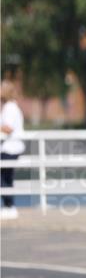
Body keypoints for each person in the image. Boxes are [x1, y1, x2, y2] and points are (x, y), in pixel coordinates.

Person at [0, 82, 25, 220]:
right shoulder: (10, 107)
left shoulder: (10, 107)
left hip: (11, 148)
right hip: (9, 147)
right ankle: (9, 206)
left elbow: (8, 128)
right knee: (6, 177)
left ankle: (9, 206)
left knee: (4, 178)